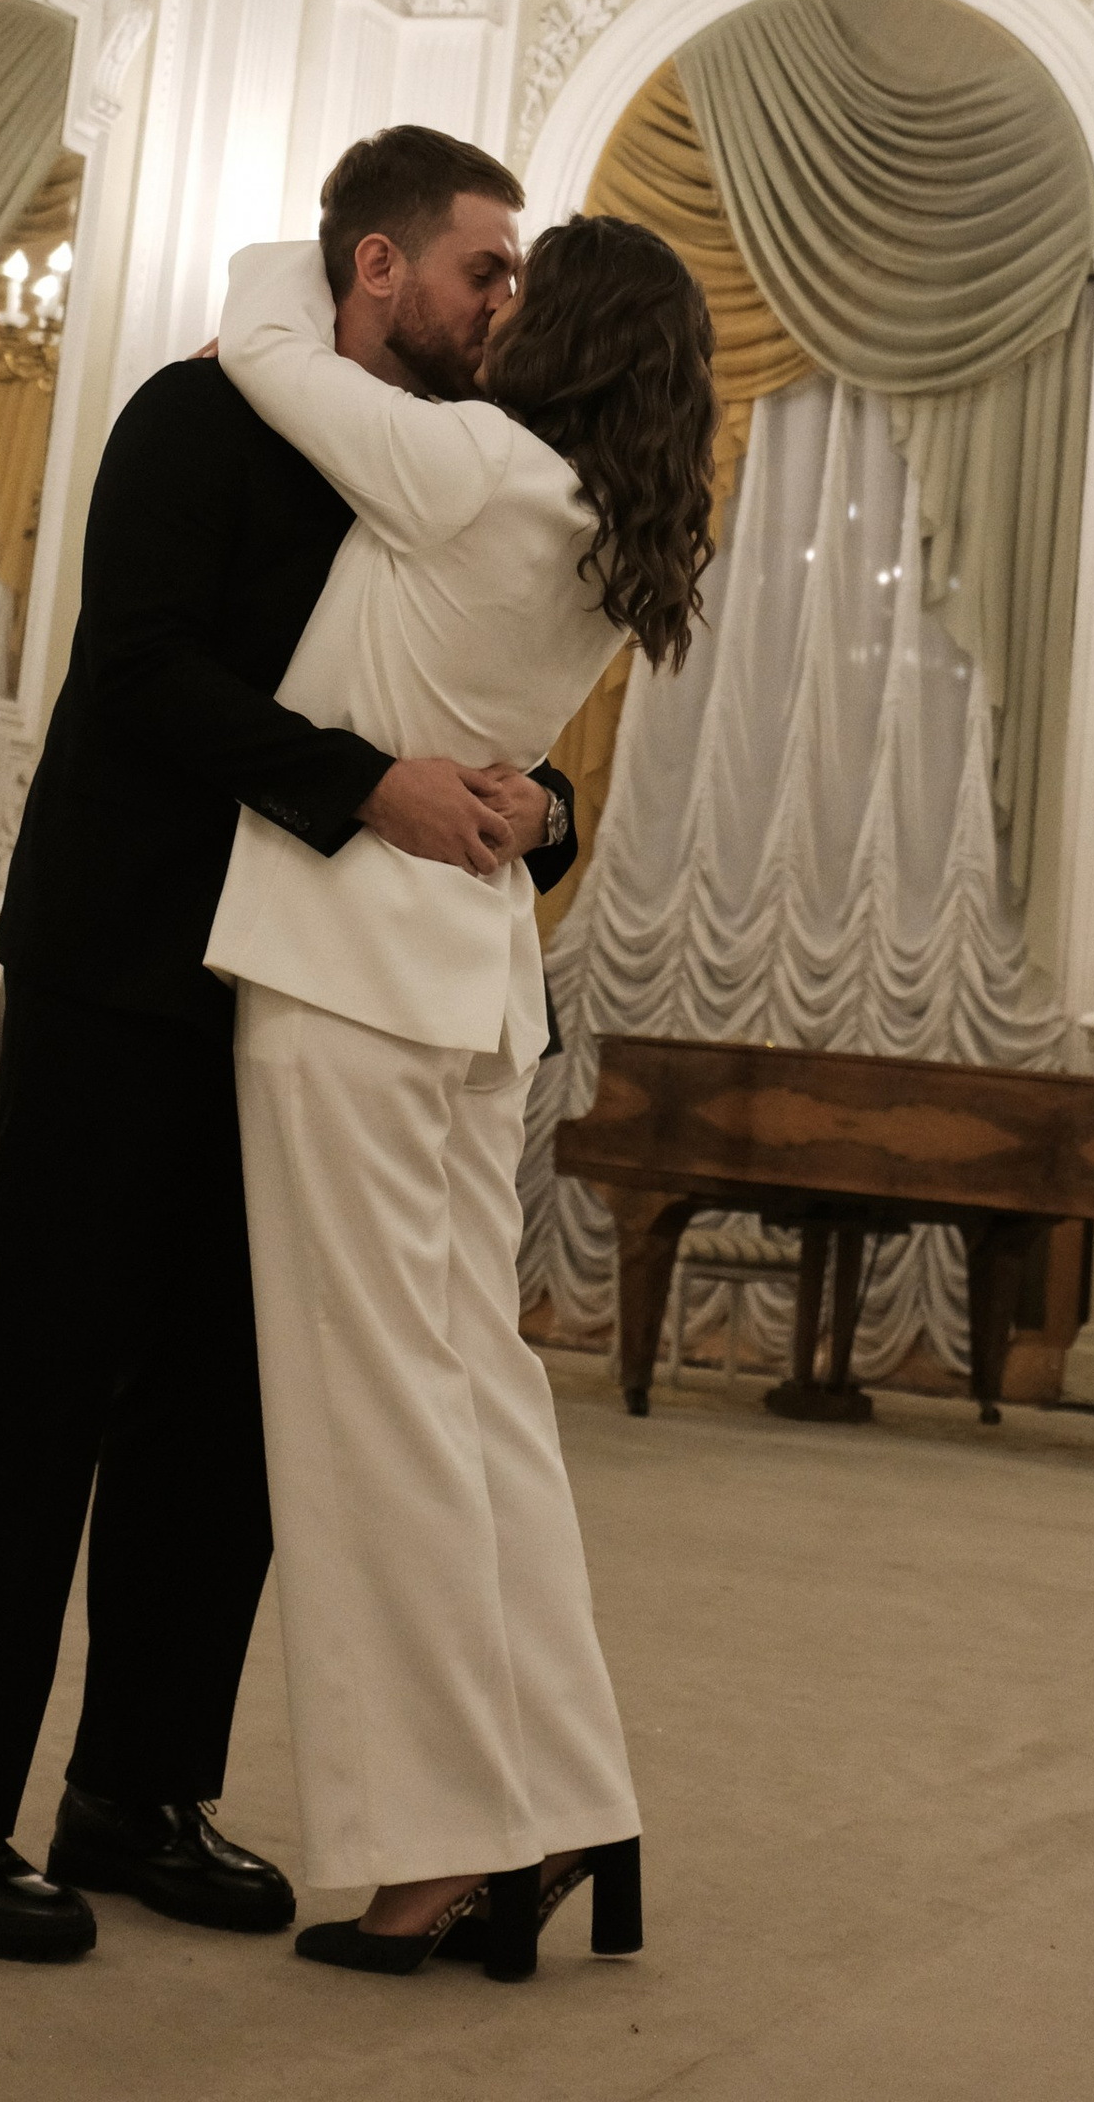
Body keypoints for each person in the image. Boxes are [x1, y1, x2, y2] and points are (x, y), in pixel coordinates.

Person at [0, 125, 577, 1967]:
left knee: (233, 1415)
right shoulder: (190, 417)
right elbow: (146, 672)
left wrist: (532, 794)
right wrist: (372, 789)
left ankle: (137, 1789)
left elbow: (461, 688)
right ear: (376, 269)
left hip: (298, 997)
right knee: (39, 1386)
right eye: (485, 266)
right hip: (123, 961)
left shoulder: (440, 472)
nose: (508, 300)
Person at [207, 210, 714, 1977]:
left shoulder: (474, 469)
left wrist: (311, 252)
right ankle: (569, 1797)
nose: (488, 309)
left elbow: (268, 335)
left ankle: (435, 1848)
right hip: (463, 993)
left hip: (347, 980)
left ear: (560, 332)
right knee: (477, 1402)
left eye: (518, 287)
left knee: (375, 1427)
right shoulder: (598, 532)